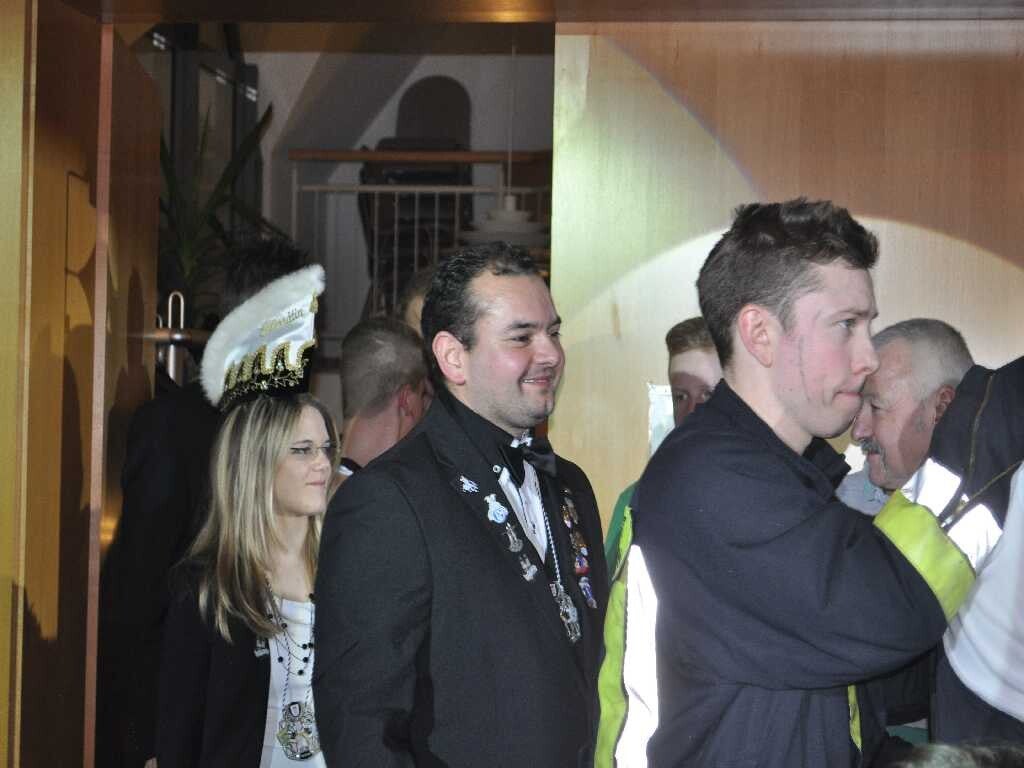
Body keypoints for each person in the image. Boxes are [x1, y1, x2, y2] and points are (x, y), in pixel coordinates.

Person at [597, 199, 999, 768]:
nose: (867, 357)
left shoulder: (790, 475)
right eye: (846, 326)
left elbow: (841, 700)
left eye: (869, 326)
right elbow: (889, 611)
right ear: (760, 333)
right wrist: (990, 420)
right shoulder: (711, 478)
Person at [314, 242, 609, 766]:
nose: (551, 354)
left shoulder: (571, 485)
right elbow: (362, 725)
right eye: (522, 337)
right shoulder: (388, 499)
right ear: (453, 357)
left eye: (554, 332)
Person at [96, 235, 307, 768]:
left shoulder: (301, 433)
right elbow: (138, 597)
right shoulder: (174, 429)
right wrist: (147, 743)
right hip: (192, 718)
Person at [156, 264, 339, 767]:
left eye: (326, 448)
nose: (322, 464)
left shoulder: (347, 572)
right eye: (302, 450)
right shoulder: (208, 590)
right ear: (258, 464)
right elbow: (179, 736)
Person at [605, 317, 722, 576]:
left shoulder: (775, 495)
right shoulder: (636, 499)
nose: (692, 411)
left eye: (709, 394)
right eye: (681, 396)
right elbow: (607, 594)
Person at [839, 318, 974, 515]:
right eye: (859, 407)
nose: (858, 432)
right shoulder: (837, 505)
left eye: (875, 407)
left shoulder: (1002, 517)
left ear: (941, 407)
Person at [336, 316, 429, 480]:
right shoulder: (383, 492)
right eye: (422, 395)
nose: (425, 407)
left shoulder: (312, 481)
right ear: (406, 400)